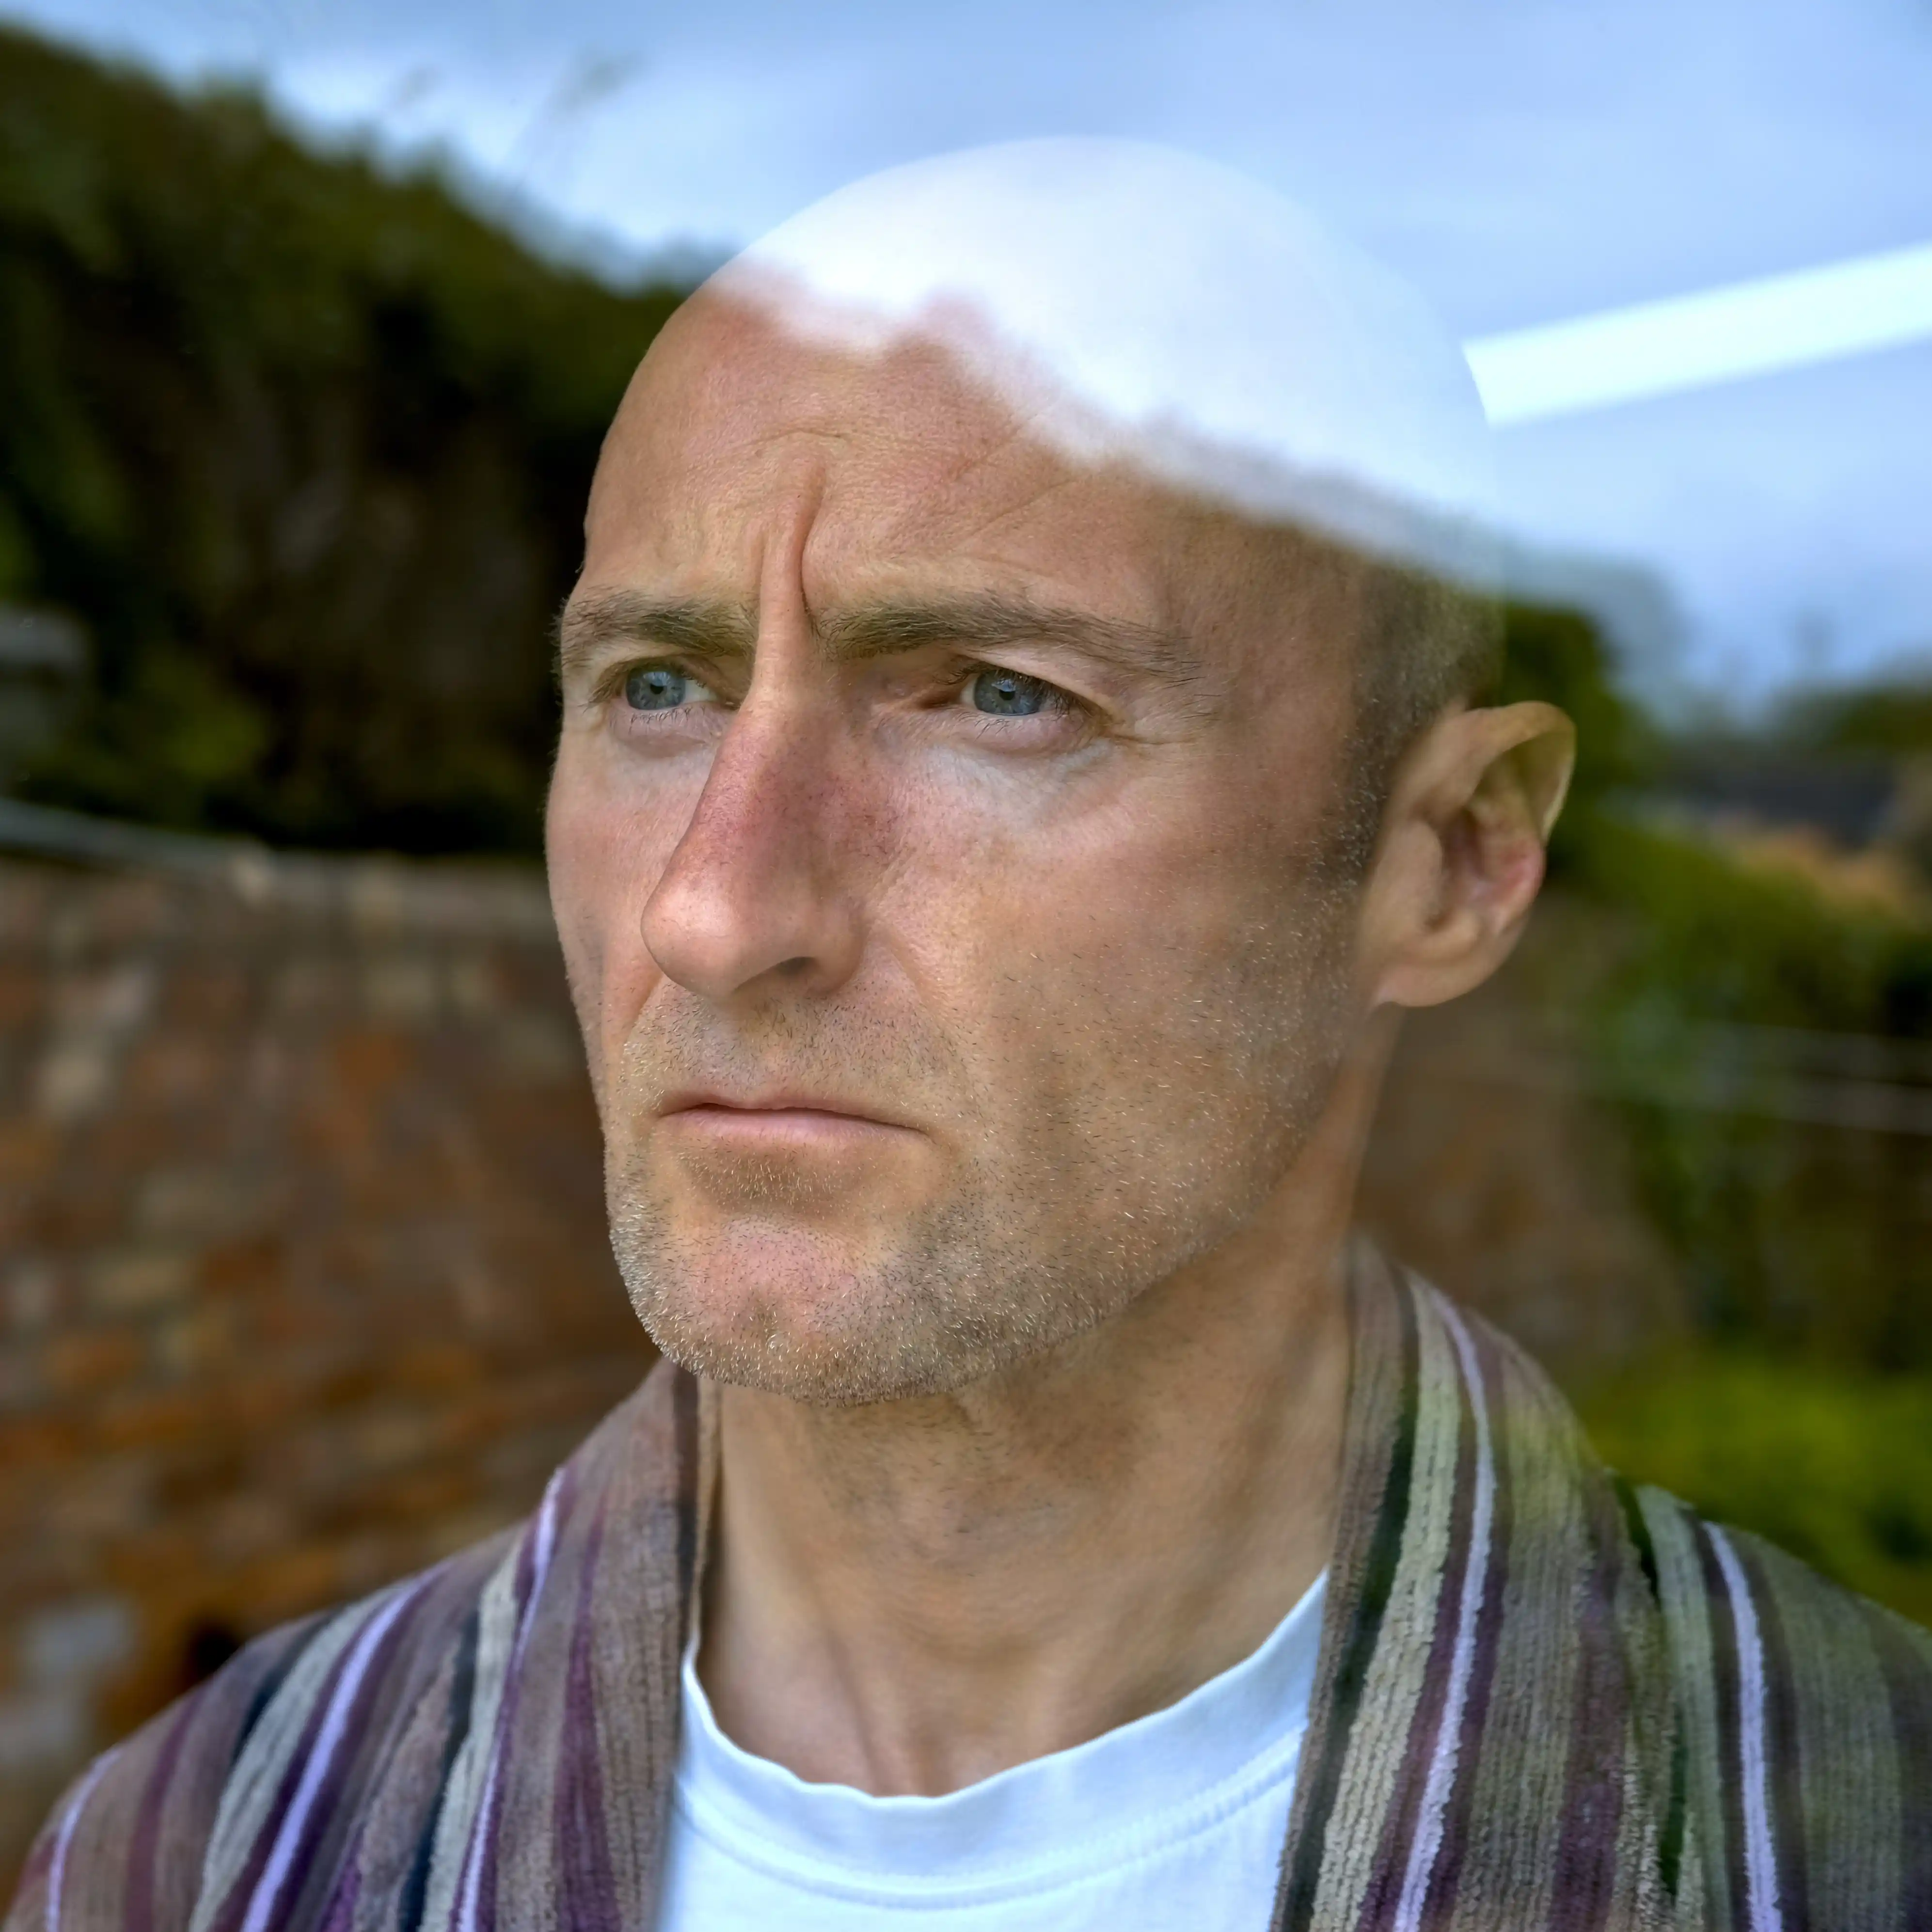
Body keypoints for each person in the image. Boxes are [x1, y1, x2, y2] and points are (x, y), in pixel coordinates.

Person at [9, 141, 1928, 1932]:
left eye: (1001, 698)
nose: (718, 909)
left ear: (1450, 856)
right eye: (656, 688)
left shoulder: (1850, 1837)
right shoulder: (201, 1855)